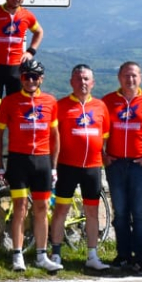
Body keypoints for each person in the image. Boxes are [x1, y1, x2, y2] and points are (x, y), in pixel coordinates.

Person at [0, 59, 62, 272]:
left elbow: (55, 136)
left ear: (41, 79)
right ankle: (17, 254)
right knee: (20, 208)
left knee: (41, 208)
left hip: (42, 160)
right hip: (18, 160)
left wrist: (54, 166)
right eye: (26, 76)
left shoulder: (51, 102)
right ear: (21, 78)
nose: (30, 81)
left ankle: (41, 255)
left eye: (34, 77)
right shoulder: (10, 101)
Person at [102, 61, 142, 274]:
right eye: (126, 75)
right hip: (116, 165)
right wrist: (103, 155)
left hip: (140, 165)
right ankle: (123, 255)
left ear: (140, 78)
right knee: (120, 213)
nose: (130, 79)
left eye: (134, 76)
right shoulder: (108, 101)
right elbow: (96, 130)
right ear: (119, 77)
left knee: (139, 214)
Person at [51, 64, 111, 271]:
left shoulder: (101, 107)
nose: (82, 82)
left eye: (86, 79)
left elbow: (104, 137)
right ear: (71, 82)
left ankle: (92, 255)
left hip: (93, 167)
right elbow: (53, 138)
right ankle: (56, 254)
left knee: (92, 212)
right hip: (67, 166)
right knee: (61, 210)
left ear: (92, 83)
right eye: (78, 79)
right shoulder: (61, 105)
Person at [0, 0, 43, 116]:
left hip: (16, 69)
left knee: (15, 111)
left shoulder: (27, 15)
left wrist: (30, 52)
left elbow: (39, 32)